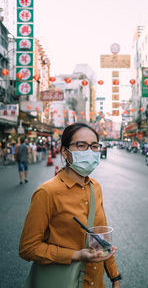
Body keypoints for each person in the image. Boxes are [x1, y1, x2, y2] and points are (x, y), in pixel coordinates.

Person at [19, 123, 121, 287]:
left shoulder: (95, 187)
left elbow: (100, 237)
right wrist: (76, 255)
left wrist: (115, 277)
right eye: (81, 145)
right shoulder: (47, 192)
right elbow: (28, 248)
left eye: (94, 146)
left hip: (96, 282)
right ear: (65, 152)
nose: (90, 151)